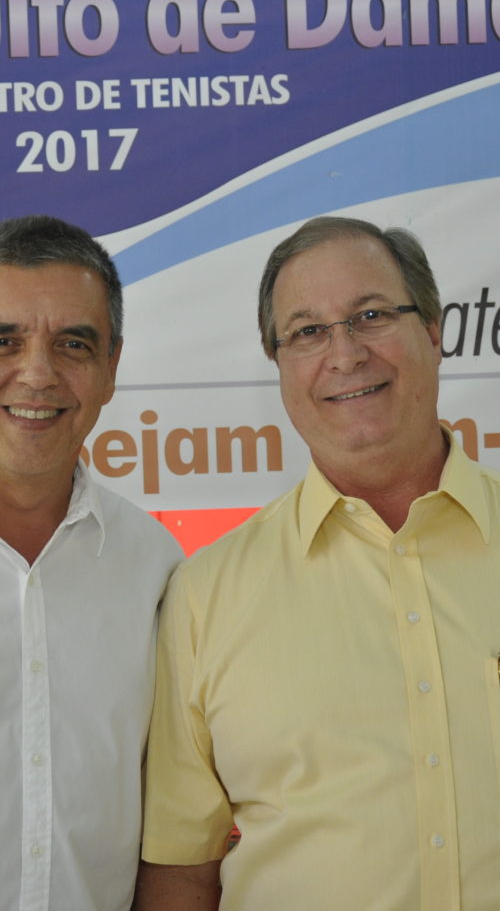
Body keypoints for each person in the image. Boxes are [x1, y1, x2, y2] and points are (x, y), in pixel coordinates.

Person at [133, 215, 500, 911]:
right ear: (278, 366)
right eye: (307, 331)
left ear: (433, 332)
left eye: (371, 315)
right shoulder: (206, 596)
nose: (345, 354)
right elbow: (181, 870)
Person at [0, 214, 183, 911]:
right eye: (4, 340)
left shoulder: (156, 569)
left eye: (73, 344)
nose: (36, 374)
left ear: (111, 368)